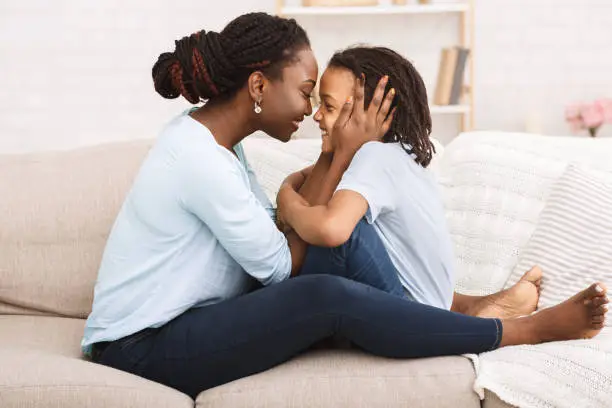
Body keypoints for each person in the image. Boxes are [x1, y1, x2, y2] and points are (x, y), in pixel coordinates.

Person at [82, 12, 608, 399]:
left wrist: (331, 161)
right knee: (326, 295)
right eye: (307, 91)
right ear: (259, 86)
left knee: (339, 250)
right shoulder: (197, 158)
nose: (311, 109)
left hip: (188, 323)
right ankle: (519, 331)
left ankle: (449, 311)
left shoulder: (220, 146)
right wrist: (335, 157)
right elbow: (276, 265)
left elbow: (285, 237)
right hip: (142, 348)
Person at [277, 45, 543, 320]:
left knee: (342, 234)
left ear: (370, 112)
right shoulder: (399, 155)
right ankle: (472, 307)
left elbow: (329, 230)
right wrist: (294, 185)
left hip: (410, 315)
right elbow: (303, 193)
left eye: (328, 106)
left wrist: (287, 202)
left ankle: (471, 314)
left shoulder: (375, 158)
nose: (316, 115)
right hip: (425, 302)